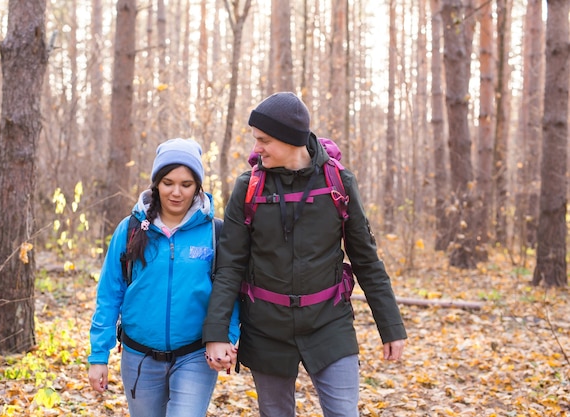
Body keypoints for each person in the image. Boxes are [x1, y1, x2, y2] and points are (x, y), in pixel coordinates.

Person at [202, 92, 407, 417]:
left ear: (290, 139)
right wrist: (216, 333)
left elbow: (366, 260)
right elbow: (229, 266)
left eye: (264, 140)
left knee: (343, 412)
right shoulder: (248, 187)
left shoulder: (339, 182)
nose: (256, 149)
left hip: (329, 322)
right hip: (266, 326)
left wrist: (391, 325)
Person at [88, 138, 240, 417]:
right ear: (156, 182)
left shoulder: (215, 231)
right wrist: (99, 355)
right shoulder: (132, 228)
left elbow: (229, 289)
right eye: (168, 182)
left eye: (186, 184)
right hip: (139, 357)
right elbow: (110, 294)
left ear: (198, 186)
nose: (176, 192)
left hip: (195, 354)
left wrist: (228, 336)